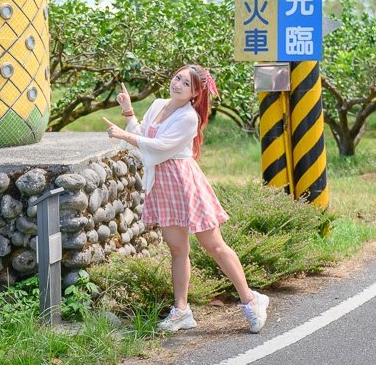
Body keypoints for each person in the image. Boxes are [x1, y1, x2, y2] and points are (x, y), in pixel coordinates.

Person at [102, 65, 270, 334]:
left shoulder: (188, 117)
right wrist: (128, 112)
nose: (177, 84)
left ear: (194, 93)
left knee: (213, 244)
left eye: (186, 84)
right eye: (177, 78)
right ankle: (181, 311)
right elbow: (145, 135)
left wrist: (125, 135)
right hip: (163, 184)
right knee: (177, 249)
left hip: (184, 183)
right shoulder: (158, 104)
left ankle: (251, 301)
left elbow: (160, 147)